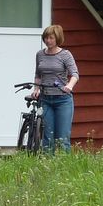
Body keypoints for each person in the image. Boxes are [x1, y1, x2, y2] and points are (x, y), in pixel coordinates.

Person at [31, 24, 79, 153]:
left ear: (57, 38)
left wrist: (69, 85)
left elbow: (75, 74)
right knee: (47, 136)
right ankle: (48, 165)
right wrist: (36, 89)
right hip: (45, 99)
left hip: (62, 100)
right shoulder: (40, 54)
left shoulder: (65, 55)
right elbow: (38, 75)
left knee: (62, 137)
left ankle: (65, 167)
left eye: (51, 38)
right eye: (46, 38)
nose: (48, 41)